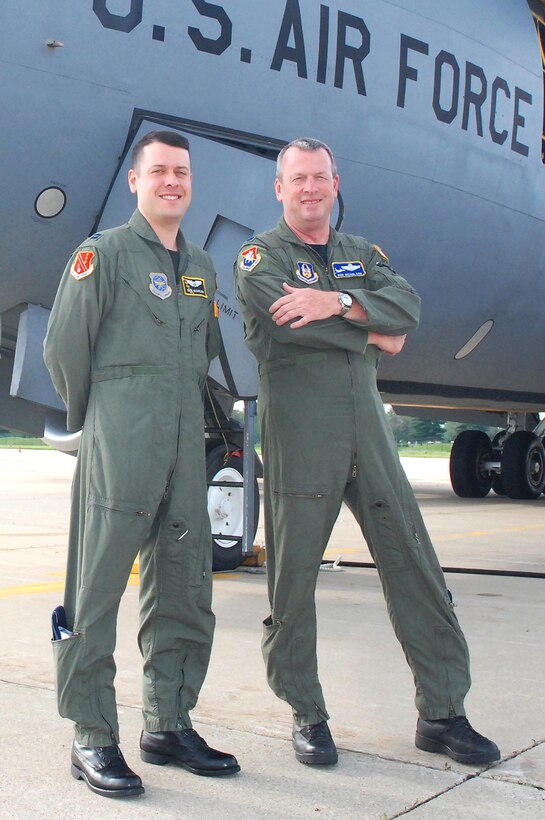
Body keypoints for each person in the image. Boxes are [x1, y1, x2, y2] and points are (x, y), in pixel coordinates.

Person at [234, 137, 500, 769]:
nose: (309, 189)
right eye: (297, 179)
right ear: (279, 189)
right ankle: (308, 713)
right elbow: (285, 323)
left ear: (335, 182)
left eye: (320, 177)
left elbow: (407, 309)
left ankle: (443, 712)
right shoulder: (258, 257)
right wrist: (371, 332)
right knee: (293, 580)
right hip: (302, 440)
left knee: (415, 564)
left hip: (369, 438)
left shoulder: (360, 253)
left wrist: (338, 303)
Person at [44, 130, 240, 799]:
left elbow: (206, 354)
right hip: (122, 438)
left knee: (185, 585)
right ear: (135, 181)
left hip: (185, 445)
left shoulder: (202, 267)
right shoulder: (103, 256)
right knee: (96, 589)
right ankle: (92, 735)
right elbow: (66, 351)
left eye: (181, 172)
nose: (172, 182)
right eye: (158, 171)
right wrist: (103, 420)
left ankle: (169, 723)